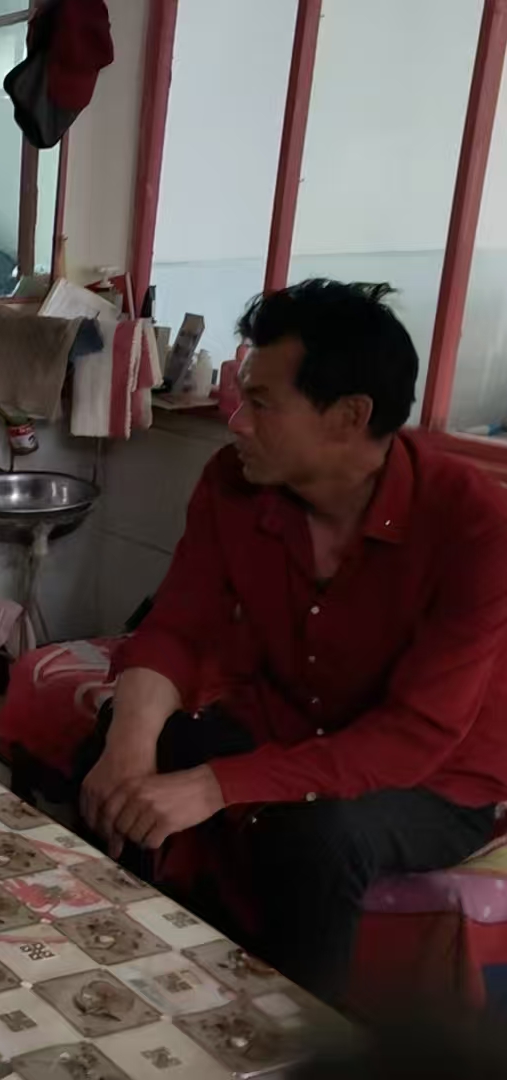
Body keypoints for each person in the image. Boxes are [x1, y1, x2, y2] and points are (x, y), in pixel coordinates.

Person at [78, 279, 507, 999]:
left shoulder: (474, 527)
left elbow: (412, 737)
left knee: (317, 835)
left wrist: (215, 786)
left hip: (431, 781)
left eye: (261, 402)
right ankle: (112, 972)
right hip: (288, 724)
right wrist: (128, 746)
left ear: (348, 417)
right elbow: (177, 625)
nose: (236, 422)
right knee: (121, 748)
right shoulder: (232, 484)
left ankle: (296, 1032)